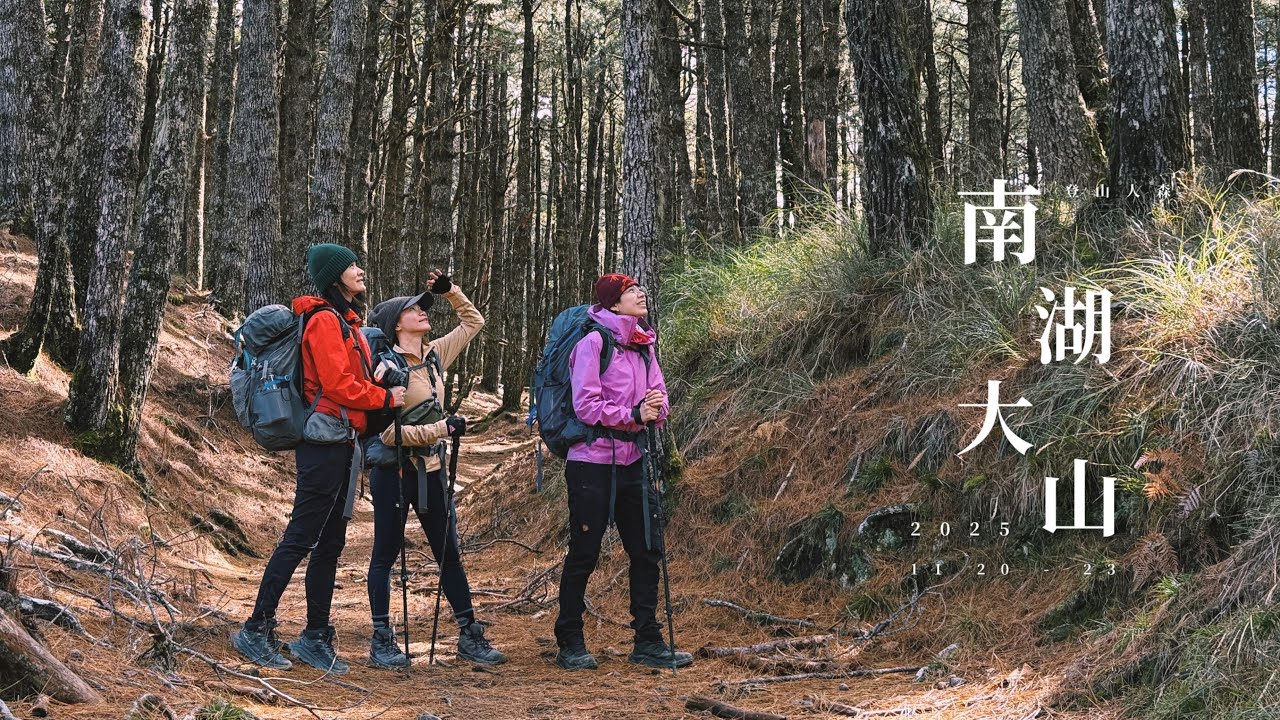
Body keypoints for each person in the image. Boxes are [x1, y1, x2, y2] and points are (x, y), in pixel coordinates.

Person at [232, 243, 406, 674]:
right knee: (302, 536)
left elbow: (352, 381)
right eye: (351, 266)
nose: (360, 270)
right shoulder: (324, 321)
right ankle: (256, 628)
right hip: (323, 442)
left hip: (344, 442)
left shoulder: (348, 324)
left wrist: (379, 378)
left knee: (329, 542)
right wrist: (384, 395)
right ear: (334, 277)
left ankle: (314, 635)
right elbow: (336, 386)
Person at [363, 270, 507, 668]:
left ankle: (470, 635)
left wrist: (450, 292)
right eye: (415, 310)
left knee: (448, 552)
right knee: (385, 555)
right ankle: (381, 639)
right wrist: (442, 428)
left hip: (430, 471)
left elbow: (474, 322)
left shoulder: (434, 356)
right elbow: (388, 435)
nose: (424, 313)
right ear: (396, 323)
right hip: (393, 472)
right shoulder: (383, 366)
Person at [553, 273, 693, 671]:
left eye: (639, 289)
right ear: (613, 304)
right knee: (584, 551)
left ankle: (647, 639)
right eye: (631, 291)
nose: (640, 293)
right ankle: (570, 641)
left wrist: (655, 407)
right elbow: (585, 405)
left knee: (647, 549)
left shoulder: (644, 344)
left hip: (633, 460)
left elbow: (660, 395)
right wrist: (632, 413)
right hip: (591, 463)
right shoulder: (593, 343)